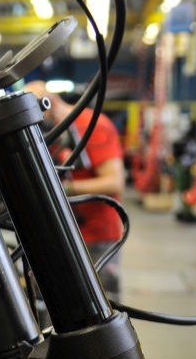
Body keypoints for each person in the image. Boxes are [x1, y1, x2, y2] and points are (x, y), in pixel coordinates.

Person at [25, 80, 126, 299]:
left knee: (102, 303)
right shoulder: (48, 131)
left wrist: (62, 189)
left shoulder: (93, 125)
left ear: (50, 103)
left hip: (97, 237)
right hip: (63, 233)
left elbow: (114, 182)